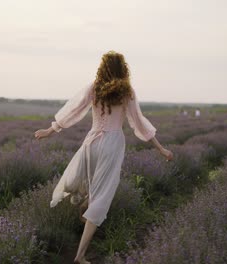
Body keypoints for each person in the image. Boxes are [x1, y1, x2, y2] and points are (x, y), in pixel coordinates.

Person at [34, 51, 174, 264]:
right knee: (102, 195)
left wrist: (50, 130)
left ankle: (85, 207)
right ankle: (80, 254)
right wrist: (161, 149)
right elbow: (139, 123)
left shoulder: (94, 87)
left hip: (91, 143)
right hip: (112, 145)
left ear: (103, 68)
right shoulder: (127, 92)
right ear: (123, 68)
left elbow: (73, 111)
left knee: (82, 182)